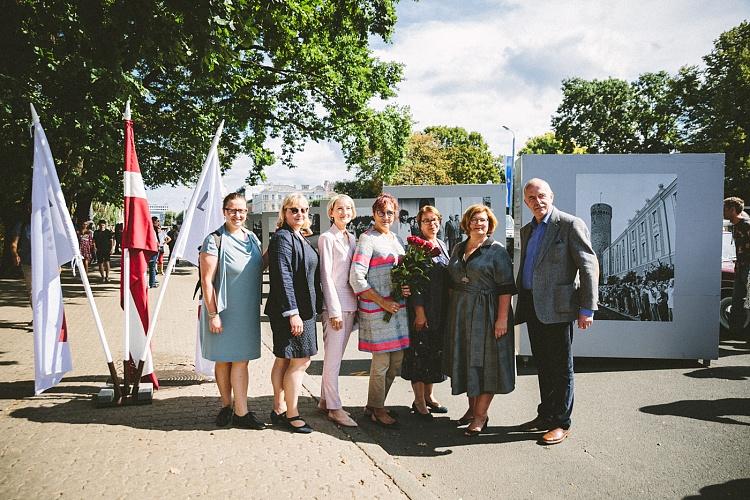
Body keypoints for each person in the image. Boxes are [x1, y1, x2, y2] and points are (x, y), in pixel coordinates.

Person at [515, 178, 598, 446]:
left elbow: (588, 266)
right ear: (526, 203)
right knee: (544, 365)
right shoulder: (528, 229)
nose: (537, 202)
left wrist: (587, 307)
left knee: (561, 368)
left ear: (551, 195)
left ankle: (561, 422)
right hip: (533, 306)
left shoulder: (570, 224)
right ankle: (546, 415)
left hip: (559, 307)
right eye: (531, 198)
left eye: (541, 196)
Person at [443, 204, 517, 436]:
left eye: (483, 220)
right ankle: (471, 409)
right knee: (468, 360)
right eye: (474, 219)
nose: (478, 223)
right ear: (467, 223)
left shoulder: (497, 251)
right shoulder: (458, 247)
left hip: (488, 312)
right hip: (462, 312)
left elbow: (506, 288)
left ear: (490, 224)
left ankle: (481, 416)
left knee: (486, 363)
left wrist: (502, 319)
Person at [199, 192, 265, 430]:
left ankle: (240, 411)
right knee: (224, 360)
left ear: (247, 213)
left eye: (241, 211)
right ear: (224, 211)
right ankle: (229, 407)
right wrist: (213, 314)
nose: (237, 215)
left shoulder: (252, 239)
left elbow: (258, 265)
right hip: (222, 310)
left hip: (246, 310)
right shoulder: (214, 239)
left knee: (241, 360)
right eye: (232, 210)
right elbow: (206, 281)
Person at [349, 193, 410, 428]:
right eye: (382, 212)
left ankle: (374, 403)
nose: (386, 217)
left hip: (397, 308)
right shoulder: (367, 239)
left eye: (390, 213)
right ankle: (378, 409)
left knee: (397, 360)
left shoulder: (395, 238)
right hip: (377, 310)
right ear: (374, 214)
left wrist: (404, 286)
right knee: (382, 362)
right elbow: (356, 277)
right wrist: (382, 301)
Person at [266, 193, 322, 434]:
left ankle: (278, 408)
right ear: (284, 213)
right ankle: (292, 414)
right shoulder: (282, 237)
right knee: (300, 360)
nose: (300, 214)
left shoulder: (299, 236)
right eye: (294, 210)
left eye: (304, 210)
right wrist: (292, 313)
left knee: (285, 358)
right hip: (291, 311)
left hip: (303, 310)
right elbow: (282, 276)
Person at [401, 206, 450, 419]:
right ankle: (419, 400)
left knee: (434, 353)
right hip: (422, 309)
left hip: (440, 309)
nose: (432, 224)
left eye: (435, 220)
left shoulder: (442, 244)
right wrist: (419, 312)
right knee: (419, 354)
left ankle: (430, 396)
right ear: (419, 225)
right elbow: (414, 283)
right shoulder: (416, 247)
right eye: (426, 221)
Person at [317, 194, 359, 427]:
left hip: (351, 305)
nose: (344, 212)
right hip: (336, 307)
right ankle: (335, 408)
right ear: (331, 212)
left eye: (348, 208)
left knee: (337, 359)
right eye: (339, 208)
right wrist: (333, 310)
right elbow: (326, 276)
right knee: (332, 360)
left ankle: (325, 401)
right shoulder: (327, 238)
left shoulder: (351, 238)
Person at [723, 197, 750, 341]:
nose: (722, 212)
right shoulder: (735, 225)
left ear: (732, 210)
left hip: (748, 268)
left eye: (725, 209)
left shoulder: (746, 225)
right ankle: (736, 332)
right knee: (737, 301)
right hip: (740, 268)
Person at [10, 204, 32, 305]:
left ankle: (44, 317)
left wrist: (58, 263)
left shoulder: (46, 224)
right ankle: (37, 317)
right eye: (30, 207)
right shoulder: (22, 225)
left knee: (44, 290)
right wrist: (15, 254)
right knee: (32, 291)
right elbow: (14, 243)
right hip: (28, 263)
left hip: (45, 264)